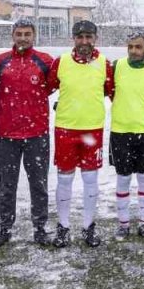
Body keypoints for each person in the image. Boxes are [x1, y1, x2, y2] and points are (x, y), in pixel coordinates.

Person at [0, 18, 57, 248]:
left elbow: (51, 87)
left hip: (37, 134)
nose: (23, 38)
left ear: (33, 36)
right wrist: (11, 107)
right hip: (7, 135)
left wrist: (31, 107)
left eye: (27, 34)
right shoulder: (0, 62)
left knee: (39, 183)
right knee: (7, 184)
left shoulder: (45, 61)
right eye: (19, 34)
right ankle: (5, 228)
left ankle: (40, 228)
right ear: (13, 36)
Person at [48, 19, 114, 248]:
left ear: (95, 38)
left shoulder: (105, 64)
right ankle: (63, 227)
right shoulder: (62, 62)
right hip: (66, 128)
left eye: (89, 37)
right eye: (80, 37)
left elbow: (112, 92)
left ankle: (88, 226)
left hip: (92, 129)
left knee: (90, 179)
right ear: (73, 39)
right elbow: (46, 88)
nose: (84, 41)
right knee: (64, 178)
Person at [109, 32, 144, 240]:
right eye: (130, 47)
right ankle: (123, 223)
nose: (133, 51)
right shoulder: (117, 66)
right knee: (123, 179)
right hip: (121, 131)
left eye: (138, 47)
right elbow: (107, 91)